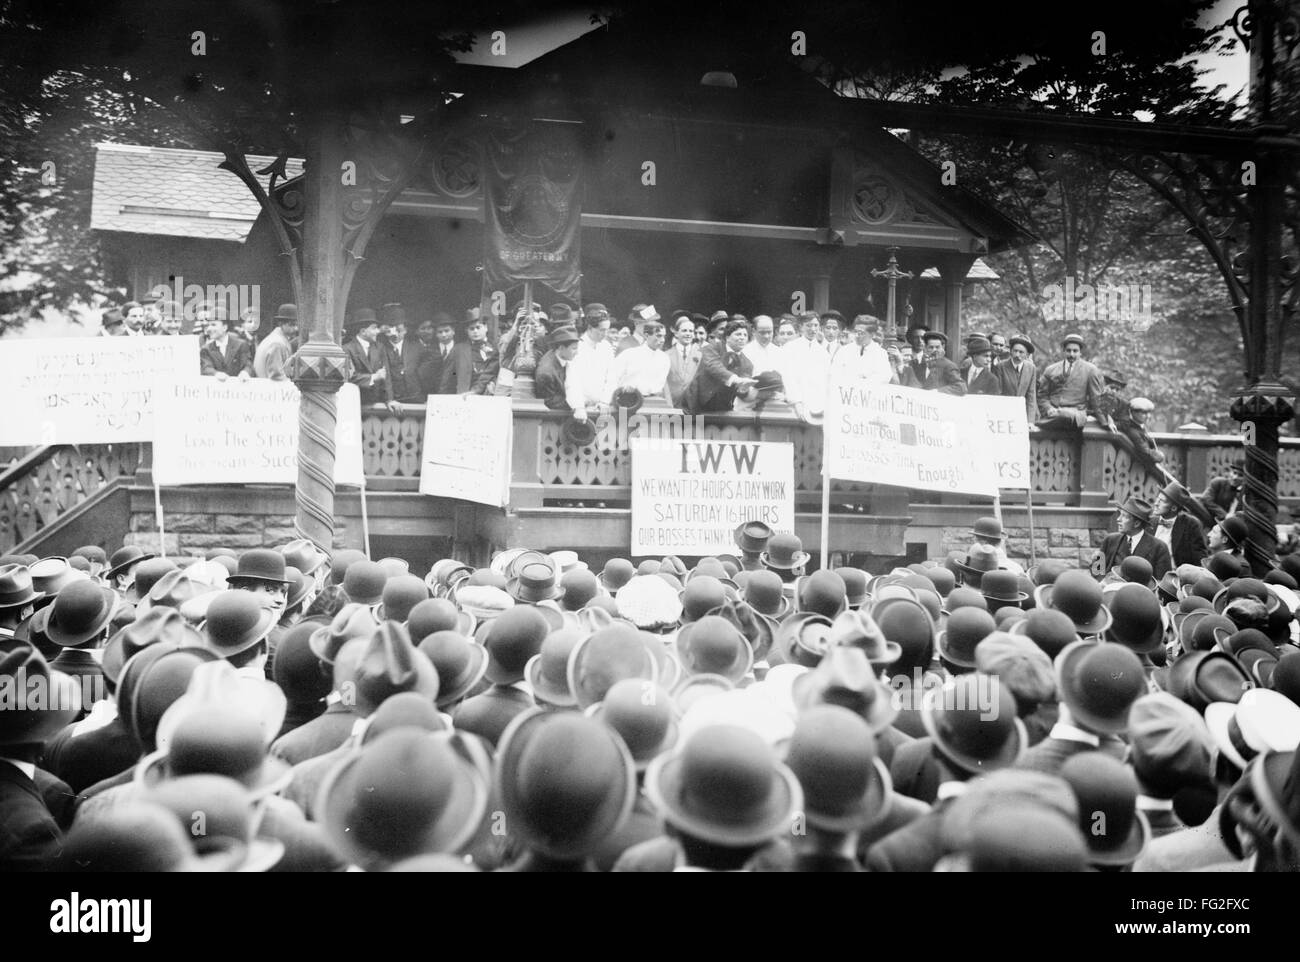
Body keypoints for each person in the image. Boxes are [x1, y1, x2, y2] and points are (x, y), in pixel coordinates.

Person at [682, 319, 757, 414]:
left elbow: (741, 389)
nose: (742, 338)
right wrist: (736, 379)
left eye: (745, 335)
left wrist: (744, 389)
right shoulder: (711, 348)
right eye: (738, 334)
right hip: (695, 405)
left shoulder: (747, 364)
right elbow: (714, 366)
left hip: (722, 409)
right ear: (727, 337)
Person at [1094, 496, 1173, 581]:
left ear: (1136, 523)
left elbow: (1161, 582)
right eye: (1120, 515)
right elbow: (1096, 570)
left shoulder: (1159, 548)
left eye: (1124, 516)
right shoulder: (1109, 540)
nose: (1118, 519)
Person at [1036, 333, 1105, 430]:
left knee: (1065, 418)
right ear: (1064, 351)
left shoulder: (1090, 370)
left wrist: (1105, 422)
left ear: (1080, 352)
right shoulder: (1051, 370)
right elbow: (1042, 396)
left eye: (1075, 351)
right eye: (1068, 351)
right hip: (1052, 414)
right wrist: (1048, 408)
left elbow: (1096, 399)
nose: (1071, 354)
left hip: (1075, 414)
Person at [780, 311, 832, 421]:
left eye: (815, 325)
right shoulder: (790, 348)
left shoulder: (823, 353)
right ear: (801, 327)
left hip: (818, 406)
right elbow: (789, 379)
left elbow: (826, 382)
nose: (812, 329)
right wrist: (797, 404)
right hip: (794, 405)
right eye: (808, 325)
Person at [565, 311, 617, 411]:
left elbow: (611, 378)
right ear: (590, 328)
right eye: (602, 330)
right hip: (581, 408)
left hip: (602, 407)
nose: (605, 334)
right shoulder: (576, 347)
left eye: (607, 330)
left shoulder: (607, 347)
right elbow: (572, 380)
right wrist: (579, 406)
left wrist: (604, 402)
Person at [1151, 482, 1210, 567]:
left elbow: (1199, 558)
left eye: (1162, 501)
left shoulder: (1190, 525)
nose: (1156, 503)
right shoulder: (1150, 521)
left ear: (1174, 508)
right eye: (1157, 499)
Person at [418, 313, 473, 396]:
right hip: (434, 394)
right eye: (440, 332)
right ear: (436, 334)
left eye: (447, 331)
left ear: (453, 331)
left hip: (455, 394)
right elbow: (424, 376)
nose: (444, 335)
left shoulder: (461, 349)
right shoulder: (429, 351)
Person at [611, 321, 670, 398]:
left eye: (664, 336)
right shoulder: (629, 354)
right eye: (658, 336)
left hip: (652, 402)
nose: (662, 340)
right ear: (646, 335)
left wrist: (637, 387)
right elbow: (613, 377)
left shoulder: (664, 359)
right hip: (626, 400)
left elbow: (658, 385)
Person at [830, 315, 893, 385]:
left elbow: (885, 376)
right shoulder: (844, 351)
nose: (857, 335)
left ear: (872, 334)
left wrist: (864, 381)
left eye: (861, 333)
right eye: (855, 332)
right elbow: (834, 373)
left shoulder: (880, 353)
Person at [533, 327, 582, 412]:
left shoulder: (561, 357)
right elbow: (551, 402)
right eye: (574, 348)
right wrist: (579, 407)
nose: (577, 352)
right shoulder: (546, 372)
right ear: (561, 348)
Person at [199, 310, 253, 380]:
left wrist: (245, 373)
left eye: (213, 325)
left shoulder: (241, 345)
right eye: (208, 325)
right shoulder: (206, 349)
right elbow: (206, 368)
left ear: (224, 327)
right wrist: (216, 374)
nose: (209, 329)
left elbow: (248, 365)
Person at [253, 304, 299, 381]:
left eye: (297, 325)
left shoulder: (276, 338)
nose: (296, 328)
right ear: (281, 324)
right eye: (292, 325)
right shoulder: (277, 343)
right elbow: (277, 376)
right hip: (269, 389)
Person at [666, 313, 703, 407]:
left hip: (693, 407)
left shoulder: (701, 355)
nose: (688, 334)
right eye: (684, 331)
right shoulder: (666, 355)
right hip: (672, 405)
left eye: (691, 331)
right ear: (676, 333)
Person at [997, 334, 1037, 421]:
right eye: (1015, 351)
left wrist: (1030, 421)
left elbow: (1031, 396)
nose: (1017, 355)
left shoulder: (1031, 368)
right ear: (1010, 351)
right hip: (1004, 413)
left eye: (1021, 352)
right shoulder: (1001, 366)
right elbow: (998, 393)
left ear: (1027, 355)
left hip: (1022, 414)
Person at [465, 311, 500, 395]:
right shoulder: (464, 350)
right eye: (472, 329)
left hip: (492, 391)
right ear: (467, 331)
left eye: (478, 327)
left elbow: (493, 371)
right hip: (469, 393)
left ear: (486, 327)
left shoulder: (496, 347)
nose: (475, 331)